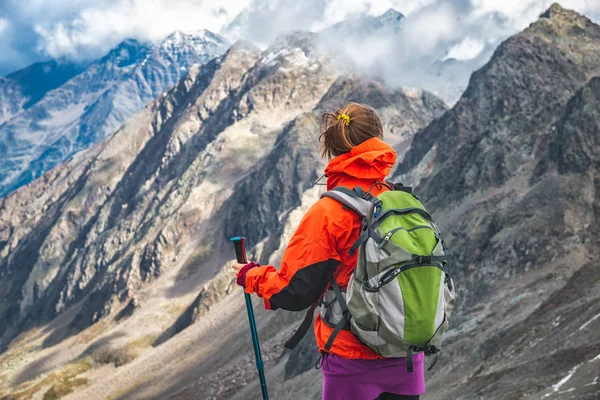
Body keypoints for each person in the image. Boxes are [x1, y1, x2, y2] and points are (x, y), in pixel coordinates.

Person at [232, 103, 424, 400]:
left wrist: (252, 276)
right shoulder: (398, 199)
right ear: (378, 139)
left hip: (353, 357)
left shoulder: (329, 211)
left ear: (333, 148)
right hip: (408, 354)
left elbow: (296, 291)